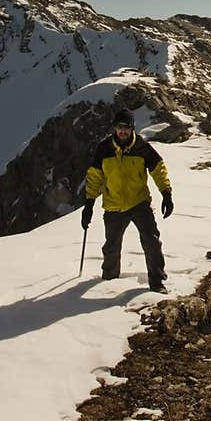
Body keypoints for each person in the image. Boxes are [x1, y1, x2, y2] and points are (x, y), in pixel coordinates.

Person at [81, 108, 173, 292]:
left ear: (132, 128)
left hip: (139, 202)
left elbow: (158, 169)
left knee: (152, 241)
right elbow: (94, 177)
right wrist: (89, 205)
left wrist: (166, 194)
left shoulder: (142, 147)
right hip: (113, 206)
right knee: (111, 248)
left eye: (126, 127)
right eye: (119, 127)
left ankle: (157, 283)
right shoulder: (104, 149)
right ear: (114, 128)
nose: (122, 131)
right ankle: (109, 283)